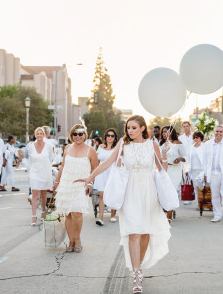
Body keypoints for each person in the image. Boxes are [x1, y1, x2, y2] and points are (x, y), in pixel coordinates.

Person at [76, 115, 171, 294]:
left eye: (134, 128)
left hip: (149, 191)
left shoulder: (153, 144)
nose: (130, 131)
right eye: (128, 128)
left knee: (145, 233)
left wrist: (164, 154)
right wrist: (90, 177)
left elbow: (162, 170)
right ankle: (136, 274)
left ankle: (139, 265)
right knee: (133, 232)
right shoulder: (123, 144)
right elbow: (108, 162)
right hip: (130, 191)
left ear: (143, 128)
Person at [53, 124, 98, 253]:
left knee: (77, 213)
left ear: (85, 135)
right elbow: (62, 165)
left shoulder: (91, 150)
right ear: (71, 135)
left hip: (81, 185)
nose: (77, 136)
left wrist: (90, 183)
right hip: (66, 184)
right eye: (75, 134)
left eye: (80, 134)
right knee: (67, 214)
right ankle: (71, 241)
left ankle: (77, 239)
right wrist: (57, 181)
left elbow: (94, 169)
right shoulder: (67, 148)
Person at [160, 126, 186, 221]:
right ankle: (166, 209)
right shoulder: (162, 144)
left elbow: (185, 156)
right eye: (162, 132)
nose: (163, 133)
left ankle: (169, 216)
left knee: (171, 191)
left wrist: (179, 159)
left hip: (175, 170)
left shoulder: (178, 143)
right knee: (163, 191)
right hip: (164, 170)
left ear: (171, 132)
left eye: (165, 131)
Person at [29, 127, 54, 226]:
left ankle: (43, 212)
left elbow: (50, 160)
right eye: (37, 134)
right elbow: (30, 161)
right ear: (35, 135)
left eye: (41, 133)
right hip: (34, 172)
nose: (39, 135)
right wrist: (30, 173)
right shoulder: (31, 146)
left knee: (43, 194)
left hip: (45, 172)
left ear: (44, 135)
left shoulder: (48, 146)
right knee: (34, 193)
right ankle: (33, 216)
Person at [94, 128, 118, 226]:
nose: (110, 137)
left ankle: (112, 215)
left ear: (115, 137)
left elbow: (119, 162)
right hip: (101, 173)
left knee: (112, 194)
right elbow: (97, 161)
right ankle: (101, 218)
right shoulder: (100, 146)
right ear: (105, 136)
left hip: (112, 172)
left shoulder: (117, 148)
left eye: (112, 136)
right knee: (101, 195)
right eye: (108, 135)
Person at [187, 131, 205, 207]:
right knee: (195, 186)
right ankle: (199, 203)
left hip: (202, 169)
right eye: (194, 138)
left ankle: (205, 200)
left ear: (200, 138)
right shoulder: (191, 147)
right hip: (193, 169)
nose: (195, 139)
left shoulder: (204, 146)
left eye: (197, 137)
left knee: (202, 185)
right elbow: (188, 158)